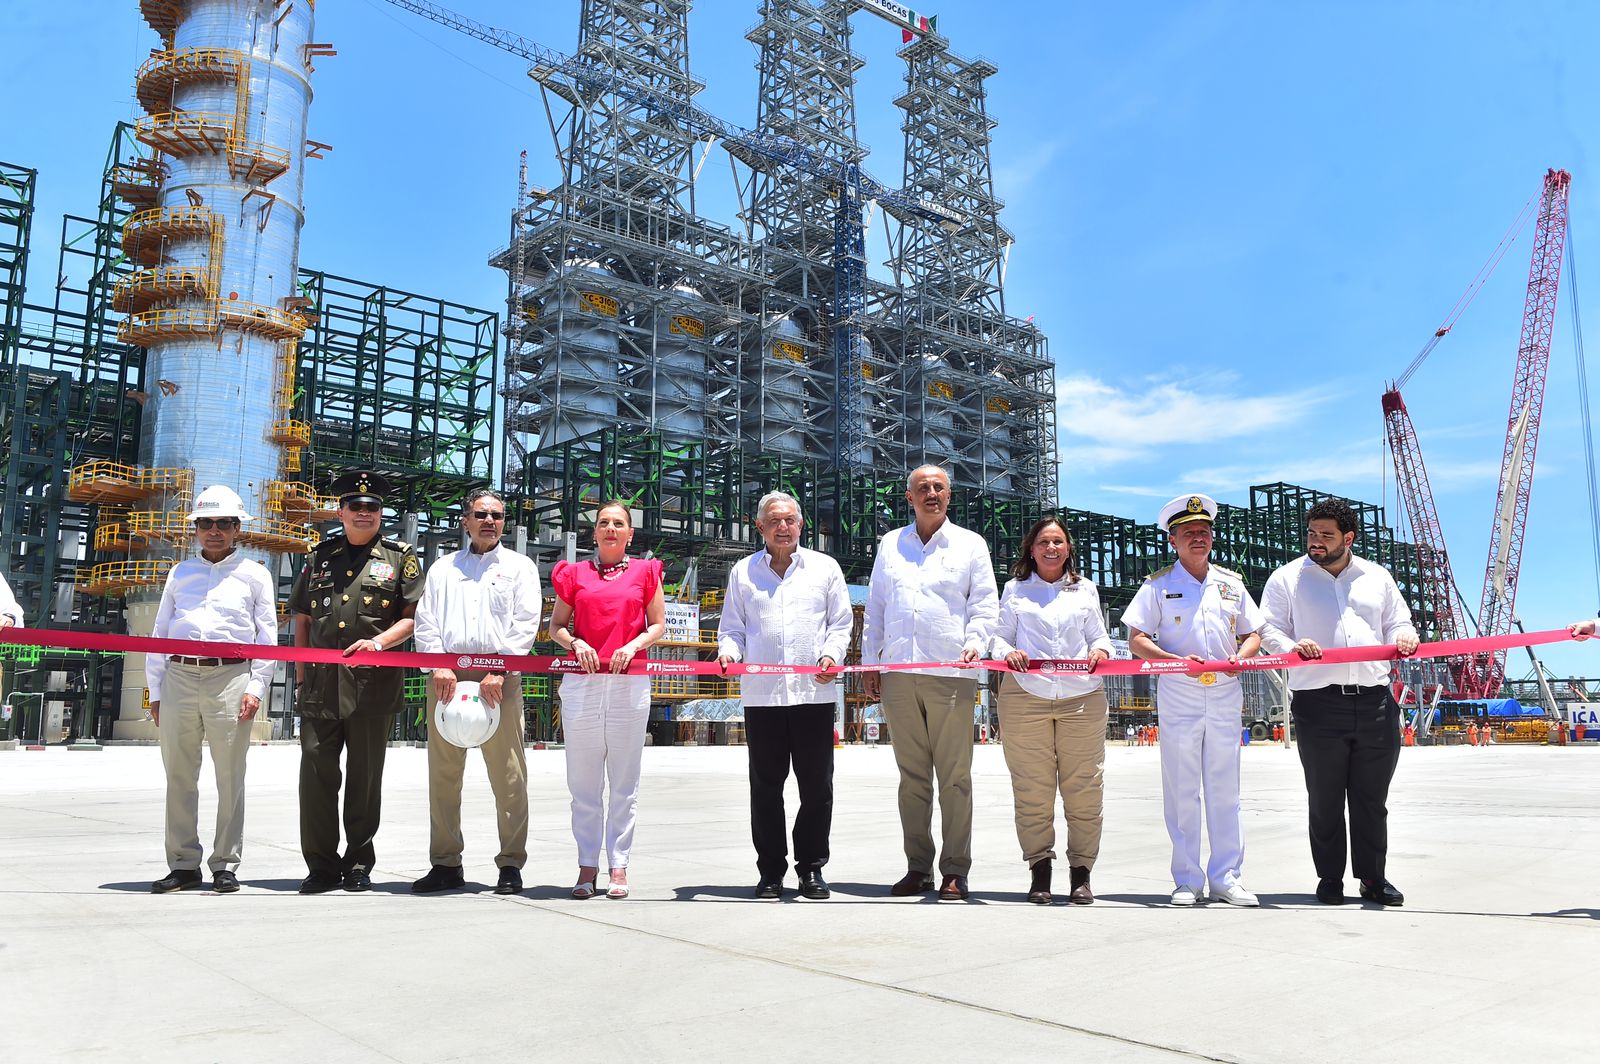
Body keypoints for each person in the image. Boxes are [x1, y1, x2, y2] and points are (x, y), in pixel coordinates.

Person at [1259, 497, 1419, 908]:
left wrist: (1405, 635)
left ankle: (1372, 878)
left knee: (1371, 798)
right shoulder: (1287, 578)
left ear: (1348, 538)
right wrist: (1293, 645)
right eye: (1312, 533)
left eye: (1326, 536)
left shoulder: (1376, 576)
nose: (1316, 542)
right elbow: (1269, 629)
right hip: (1318, 702)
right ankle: (1330, 877)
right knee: (1325, 796)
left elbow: (1398, 620)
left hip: (1375, 702)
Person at [861, 464, 999, 901]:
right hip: (900, 674)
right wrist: (870, 664)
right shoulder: (891, 544)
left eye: (939, 487)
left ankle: (955, 869)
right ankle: (917, 866)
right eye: (923, 488)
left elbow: (984, 606)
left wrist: (976, 643)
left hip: (950, 674)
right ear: (909, 498)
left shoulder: (970, 545)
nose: (931, 494)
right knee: (911, 777)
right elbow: (877, 608)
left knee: (955, 777)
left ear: (950, 496)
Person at [1123, 493, 1263, 908]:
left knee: (1226, 789)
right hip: (1179, 693)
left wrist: (1242, 657)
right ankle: (1187, 879)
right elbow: (1136, 640)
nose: (1197, 539)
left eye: (1203, 532)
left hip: (1224, 692)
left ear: (1212, 537)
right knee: (1183, 788)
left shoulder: (1231, 584)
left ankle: (1227, 878)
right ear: (1173, 540)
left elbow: (1254, 632)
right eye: (1188, 533)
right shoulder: (1158, 586)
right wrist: (1172, 662)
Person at [288, 471, 423, 894]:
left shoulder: (401, 557)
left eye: (373, 508)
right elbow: (304, 620)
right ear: (341, 511)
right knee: (315, 772)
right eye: (356, 506)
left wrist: (379, 644)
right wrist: (300, 676)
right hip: (321, 685)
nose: (364, 513)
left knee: (365, 779)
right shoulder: (319, 556)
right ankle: (321, 866)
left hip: (373, 684)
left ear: (381, 514)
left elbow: (411, 617)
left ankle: (359, 863)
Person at [716, 491, 853, 900]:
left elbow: (840, 624)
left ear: (801, 524)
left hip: (814, 695)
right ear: (760, 527)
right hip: (763, 699)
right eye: (774, 520)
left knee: (817, 788)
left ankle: (811, 869)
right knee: (765, 789)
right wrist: (728, 653)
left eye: (790, 519)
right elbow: (732, 628)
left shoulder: (825, 568)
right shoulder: (743, 573)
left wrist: (831, 655)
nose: (783, 527)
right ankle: (771, 872)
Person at [145, 486, 277, 894]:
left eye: (223, 523)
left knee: (229, 775)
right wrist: (155, 692)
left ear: (238, 528)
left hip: (230, 678)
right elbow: (160, 632)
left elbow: (267, 638)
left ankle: (225, 864)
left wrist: (257, 686)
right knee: (179, 775)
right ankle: (183, 864)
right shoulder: (180, 573)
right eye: (206, 523)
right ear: (196, 529)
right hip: (179, 677)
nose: (214, 530)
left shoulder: (255, 574)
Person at [411, 488, 542, 896]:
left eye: (498, 515)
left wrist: (501, 669)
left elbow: (526, 621)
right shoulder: (443, 569)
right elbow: (426, 620)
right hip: (447, 677)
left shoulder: (520, 567)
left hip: (498, 678)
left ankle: (510, 864)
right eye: (481, 514)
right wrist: (438, 665)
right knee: (444, 775)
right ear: (465, 520)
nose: (490, 521)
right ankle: (446, 862)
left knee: (508, 774)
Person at [991, 517, 1114, 905]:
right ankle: (1039, 870)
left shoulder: (1084, 589)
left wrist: (1101, 651)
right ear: (1031, 548)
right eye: (1044, 542)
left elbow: (1099, 635)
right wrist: (1005, 652)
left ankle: (1081, 874)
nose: (1051, 548)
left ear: (1067, 548)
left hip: (1081, 698)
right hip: (1027, 695)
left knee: (1084, 789)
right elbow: (999, 635)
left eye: (1058, 542)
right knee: (1032, 790)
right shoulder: (1014, 590)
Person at [548, 501, 666, 900]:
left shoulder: (645, 573)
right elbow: (556, 627)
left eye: (619, 524)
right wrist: (576, 642)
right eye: (603, 524)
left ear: (630, 534)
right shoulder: (575, 574)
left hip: (627, 683)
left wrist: (632, 646)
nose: (611, 529)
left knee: (623, 782)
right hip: (582, 683)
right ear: (594, 533)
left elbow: (657, 625)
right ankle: (586, 865)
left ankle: (619, 865)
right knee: (583, 783)